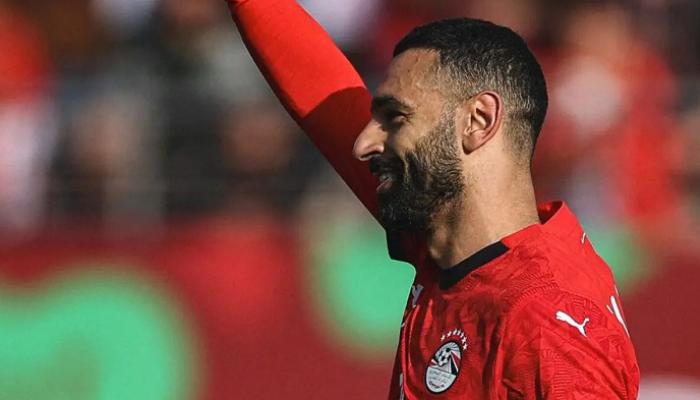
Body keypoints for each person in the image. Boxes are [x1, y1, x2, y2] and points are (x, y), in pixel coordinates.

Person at [225, 0, 640, 398]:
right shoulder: (448, 239)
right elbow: (320, 86)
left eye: (395, 118)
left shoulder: (547, 323)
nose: (363, 143)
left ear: (478, 121)